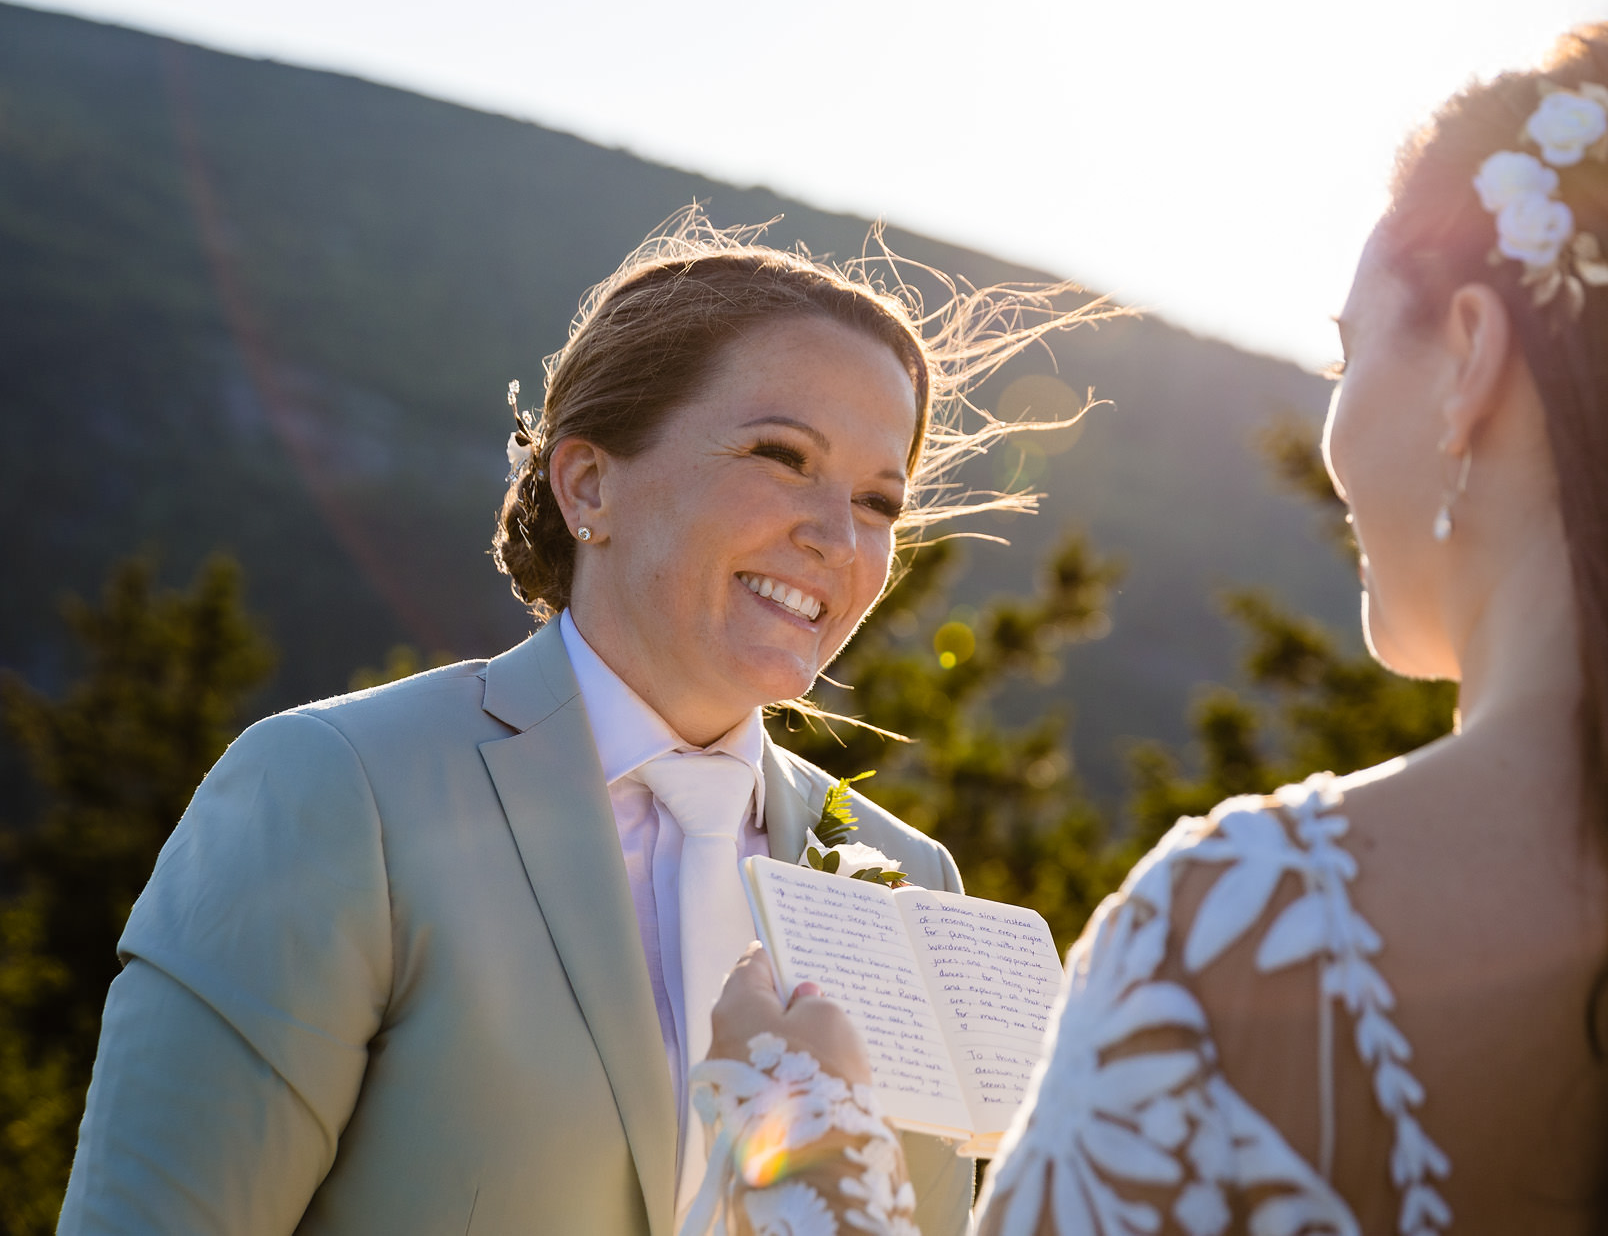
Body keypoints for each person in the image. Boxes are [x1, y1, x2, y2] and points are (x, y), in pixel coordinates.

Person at [687, 24, 1608, 1236]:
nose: (1331, 425)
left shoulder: (1249, 929)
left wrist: (809, 1143)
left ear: (1474, 354)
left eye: (1345, 353)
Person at [57, 218, 1113, 1235]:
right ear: (588, 481)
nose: (837, 536)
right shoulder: (336, 792)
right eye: (782, 455)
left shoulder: (908, 881)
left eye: (880, 501)